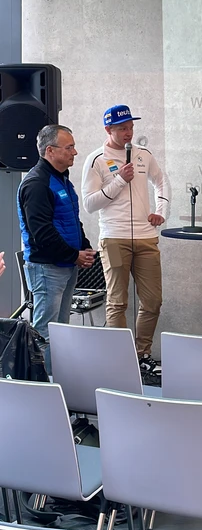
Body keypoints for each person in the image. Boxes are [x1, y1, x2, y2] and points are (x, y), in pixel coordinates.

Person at [81, 104, 169, 375]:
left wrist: (161, 211)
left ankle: (142, 355)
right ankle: (119, 361)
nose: (128, 133)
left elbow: (161, 181)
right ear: (108, 129)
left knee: (153, 301)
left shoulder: (144, 154)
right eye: (122, 128)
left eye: (130, 127)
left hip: (146, 238)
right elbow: (89, 204)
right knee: (117, 301)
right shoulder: (96, 159)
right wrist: (119, 180)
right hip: (114, 238)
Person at [17, 124, 96, 373]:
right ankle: (40, 386)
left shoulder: (61, 179)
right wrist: (74, 255)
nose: (75, 152)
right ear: (50, 150)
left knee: (60, 330)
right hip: (46, 268)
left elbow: (71, 219)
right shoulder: (36, 184)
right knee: (44, 333)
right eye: (69, 147)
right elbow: (42, 233)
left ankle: (59, 382)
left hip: (66, 265)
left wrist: (84, 247)